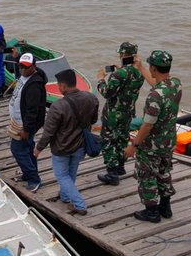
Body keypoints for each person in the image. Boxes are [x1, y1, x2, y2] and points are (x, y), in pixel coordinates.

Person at [124, 50, 182, 223]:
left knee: (147, 176)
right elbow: (158, 86)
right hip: (168, 141)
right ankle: (165, 207)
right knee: (164, 173)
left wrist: (133, 145)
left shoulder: (155, 96)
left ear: (154, 69)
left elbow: (147, 125)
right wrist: (141, 67)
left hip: (152, 146)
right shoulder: (175, 84)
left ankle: (151, 212)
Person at [34, 69, 99, 215]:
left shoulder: (57, 106)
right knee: (71, 173)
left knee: (62, 175)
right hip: (80, 144)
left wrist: (39, 148)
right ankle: (65, 196)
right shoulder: (91, 98)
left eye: (58, 85)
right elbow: (93, 120)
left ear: (63, 86)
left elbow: (48, 132)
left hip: (62, 147)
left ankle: (79, 204)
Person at [96, 42, 144, 186]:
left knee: (108, 140)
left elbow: (107, 93)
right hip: (128, 113)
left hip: (113, 114)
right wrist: (120, 70)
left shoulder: (118, 74)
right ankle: (121, 166)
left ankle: (112, 173)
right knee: (122, 138)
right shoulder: (139, 73)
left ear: (123, 55)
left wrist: (100, 79)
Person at [8, 53, 47, 192]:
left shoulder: (34, 86)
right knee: (28, 148)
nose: (22, 69)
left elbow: (32, 111)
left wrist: (27, 129)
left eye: (26, 67)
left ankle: (34, 179)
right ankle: (28, 173)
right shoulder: (24, 76)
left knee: (17, 150)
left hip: (25, 125)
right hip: (18, 121)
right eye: (20, 66)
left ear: (34, 66)